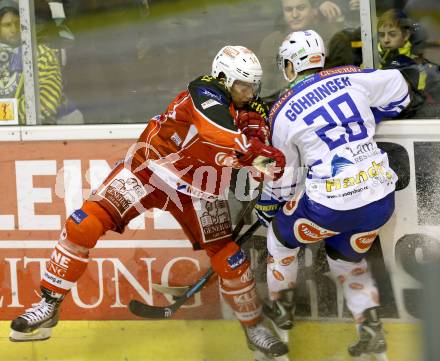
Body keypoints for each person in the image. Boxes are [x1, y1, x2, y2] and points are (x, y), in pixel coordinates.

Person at [9, 45, 289, 358]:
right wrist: (250, 149)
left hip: (199, 190)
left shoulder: (248, 114)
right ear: (225, 78)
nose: (250, 92)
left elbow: (262, 162)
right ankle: (48, 304)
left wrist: (264, 157)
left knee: (230, 259)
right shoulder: (205, 92)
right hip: (148, 173)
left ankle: (253, 326)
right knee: (82, 225)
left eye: (254, 86)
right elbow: (217, 131)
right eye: (244, 85)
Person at [255, 29, 413, 358]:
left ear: (291, 65)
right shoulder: (351, 76)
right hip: (380, 198)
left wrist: (269, 205)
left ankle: (282, 319)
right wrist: (377, 114)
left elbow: (284, 176)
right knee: (346, 260)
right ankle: (373, 338)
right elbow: (399, 85)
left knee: (280, 238)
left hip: (331, 206)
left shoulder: (282, 110)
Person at [258, 0, 340, 100]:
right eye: (288, 10)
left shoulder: (332, 38)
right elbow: (265, 87)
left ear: (314, 10)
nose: (295, 15)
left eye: (301, 8)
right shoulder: (271, 43)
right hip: (286, 103)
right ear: (283, 12)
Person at [0, 0, 62, 124]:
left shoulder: (40, 53)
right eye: (7, 25)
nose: (14, 29)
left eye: (18, 23)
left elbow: (46, 103)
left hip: (32, 134)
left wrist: (7, 116)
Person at [377, 9, 440, 110]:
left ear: (406, 35)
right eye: (381, 35)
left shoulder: (418, 62)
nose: (386, 40)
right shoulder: (371, 57)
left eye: (392, 34)